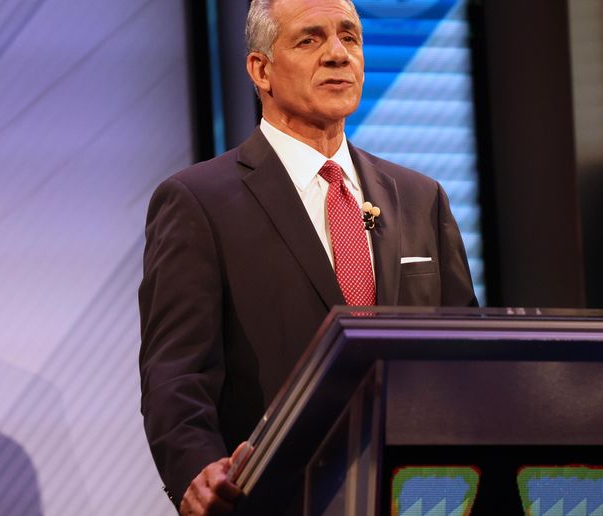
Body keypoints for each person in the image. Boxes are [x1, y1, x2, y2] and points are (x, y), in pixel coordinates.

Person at [137, 0, 478, 514]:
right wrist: (198, 472)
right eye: (309, 39)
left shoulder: (419, 197)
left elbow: (464, 355)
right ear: (261, 70)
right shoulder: (198, 201)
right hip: (275, 499)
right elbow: (176, 374)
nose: (338, 54)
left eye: (350, 36)